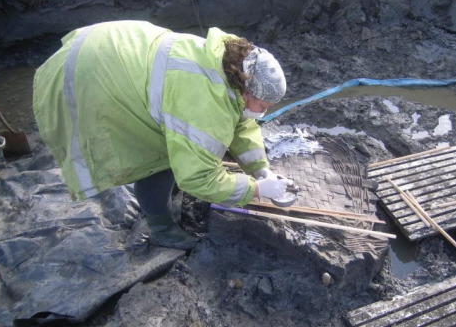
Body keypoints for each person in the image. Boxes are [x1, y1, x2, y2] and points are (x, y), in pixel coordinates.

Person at [33, 20, 290, 249]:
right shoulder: (203, 101)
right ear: (246, 90)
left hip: (112, 49)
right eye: (263, 105)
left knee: (177, 148)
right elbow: (199, 178)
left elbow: (240, 123)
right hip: (90, 77)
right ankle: (162, 230)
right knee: (159, 159)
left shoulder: (227, 66)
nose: (265, 111)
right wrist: (255, 189)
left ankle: (163, 209)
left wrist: (260, 168)